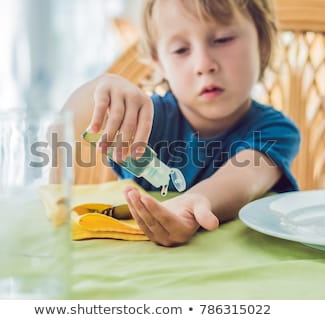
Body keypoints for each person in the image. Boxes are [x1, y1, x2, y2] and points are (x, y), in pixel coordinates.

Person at [63, 0, 300, 247]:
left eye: (222, 39)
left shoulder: (276, 131)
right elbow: (64, 127)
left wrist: (194, 202)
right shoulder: (145, 122)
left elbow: (245, 178)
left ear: (261, 44)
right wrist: (98, 89)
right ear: (159, 64)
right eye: (180, 50)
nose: (203, 64)